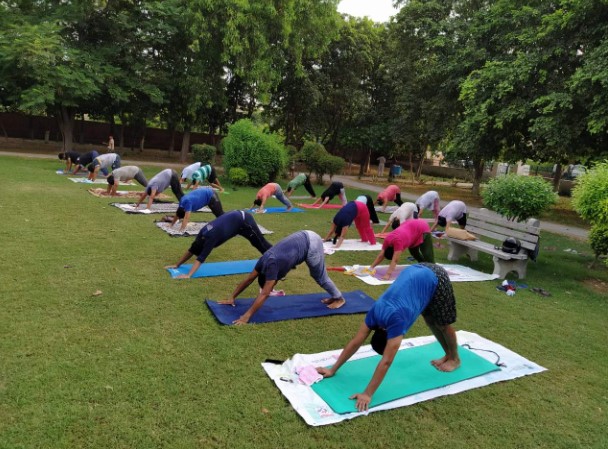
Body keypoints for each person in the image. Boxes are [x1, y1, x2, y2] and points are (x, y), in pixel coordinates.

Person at [316, 263, 460, 412]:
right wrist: (332, 369)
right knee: (430, 320)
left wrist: (367, 394)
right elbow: (355, 342)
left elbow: (386, 361)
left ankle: (454, 359)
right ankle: (448, 354)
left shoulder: (396, 321)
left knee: (443, 324)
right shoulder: (375, 313)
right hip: (416, 272)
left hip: (436, 276)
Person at [218, 231, 345, 325]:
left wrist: (246, 316)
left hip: (312, 244)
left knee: (319, 276)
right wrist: (232, 297)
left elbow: (265, 293)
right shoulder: (263, 261)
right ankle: (334, 296)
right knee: (315, 274)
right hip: (304, 235)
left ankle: (339, 298)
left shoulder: (272, 265)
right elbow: (248, 279)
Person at [166, 210, 272, 279]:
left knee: (259, 243)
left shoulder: (210, 239)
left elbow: (201, 258)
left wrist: (188, 275)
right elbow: (191, 250)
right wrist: (177, 265)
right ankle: (274, 258)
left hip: (244, 220)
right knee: (255, 243)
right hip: (234, 224)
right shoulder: (201, 235)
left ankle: (276, 259)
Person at [369, 219, 435, 279]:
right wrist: (371, 268)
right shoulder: (387, 239)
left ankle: (435, 271)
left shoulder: (398, 242)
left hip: (422, 227)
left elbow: (395, 260)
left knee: (427, 254)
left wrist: (388, 274)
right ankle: (424, 266)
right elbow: (381, 255)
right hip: (411, 229)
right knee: (414, 253)